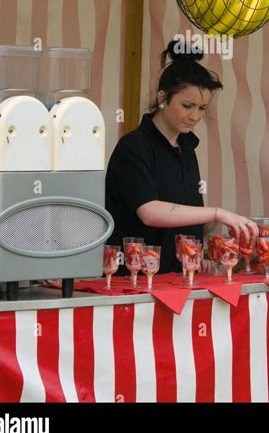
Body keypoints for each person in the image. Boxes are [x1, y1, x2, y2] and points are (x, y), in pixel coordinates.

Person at [105, 39, 258, 274]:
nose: (195, 116)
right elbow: (150, 212)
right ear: (162, 98)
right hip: (131, 278)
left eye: (202, 108)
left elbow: (186, 217)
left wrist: (199, 255)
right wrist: (218, 213)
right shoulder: (134, 147)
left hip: (177, 276)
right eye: (187, 105)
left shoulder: (186, 148)